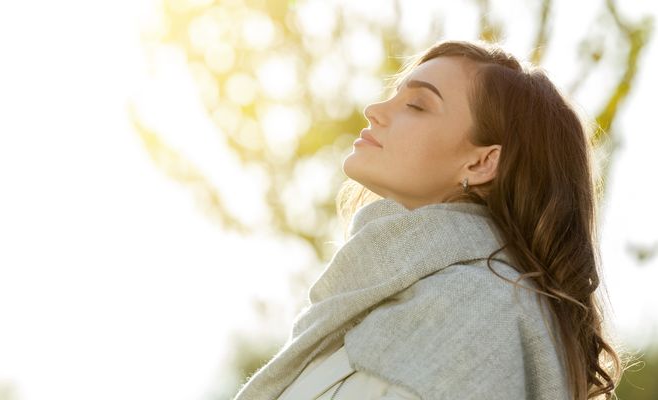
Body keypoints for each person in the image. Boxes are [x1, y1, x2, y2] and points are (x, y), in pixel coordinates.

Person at [232, 39, 626, 400]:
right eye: (395, 95)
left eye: (417, 105)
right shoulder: (381, 299)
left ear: (482, 161)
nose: (374, 111)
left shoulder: (478, 312)